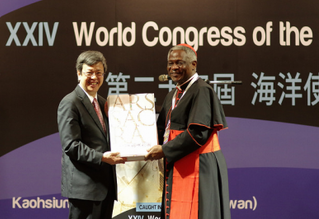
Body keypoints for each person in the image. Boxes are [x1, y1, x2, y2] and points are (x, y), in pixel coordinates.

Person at [145, 44, 231, 219]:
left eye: (180, 63)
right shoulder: (173, 94)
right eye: (170, 63)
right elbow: (161, 129)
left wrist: (164, 150)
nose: (174, 68)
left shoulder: (202, 90)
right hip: (178, 162)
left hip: (199, 164)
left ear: (193, 64)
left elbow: (198, 133)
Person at [57, 50, 126, 219]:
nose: (94, 77)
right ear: (79, 73)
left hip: (106, 187)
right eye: (89, 73)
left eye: (99, 73)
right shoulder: (70, 102)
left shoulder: (104, 103)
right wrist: (102, 157)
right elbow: (71, 146)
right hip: (85, 190)